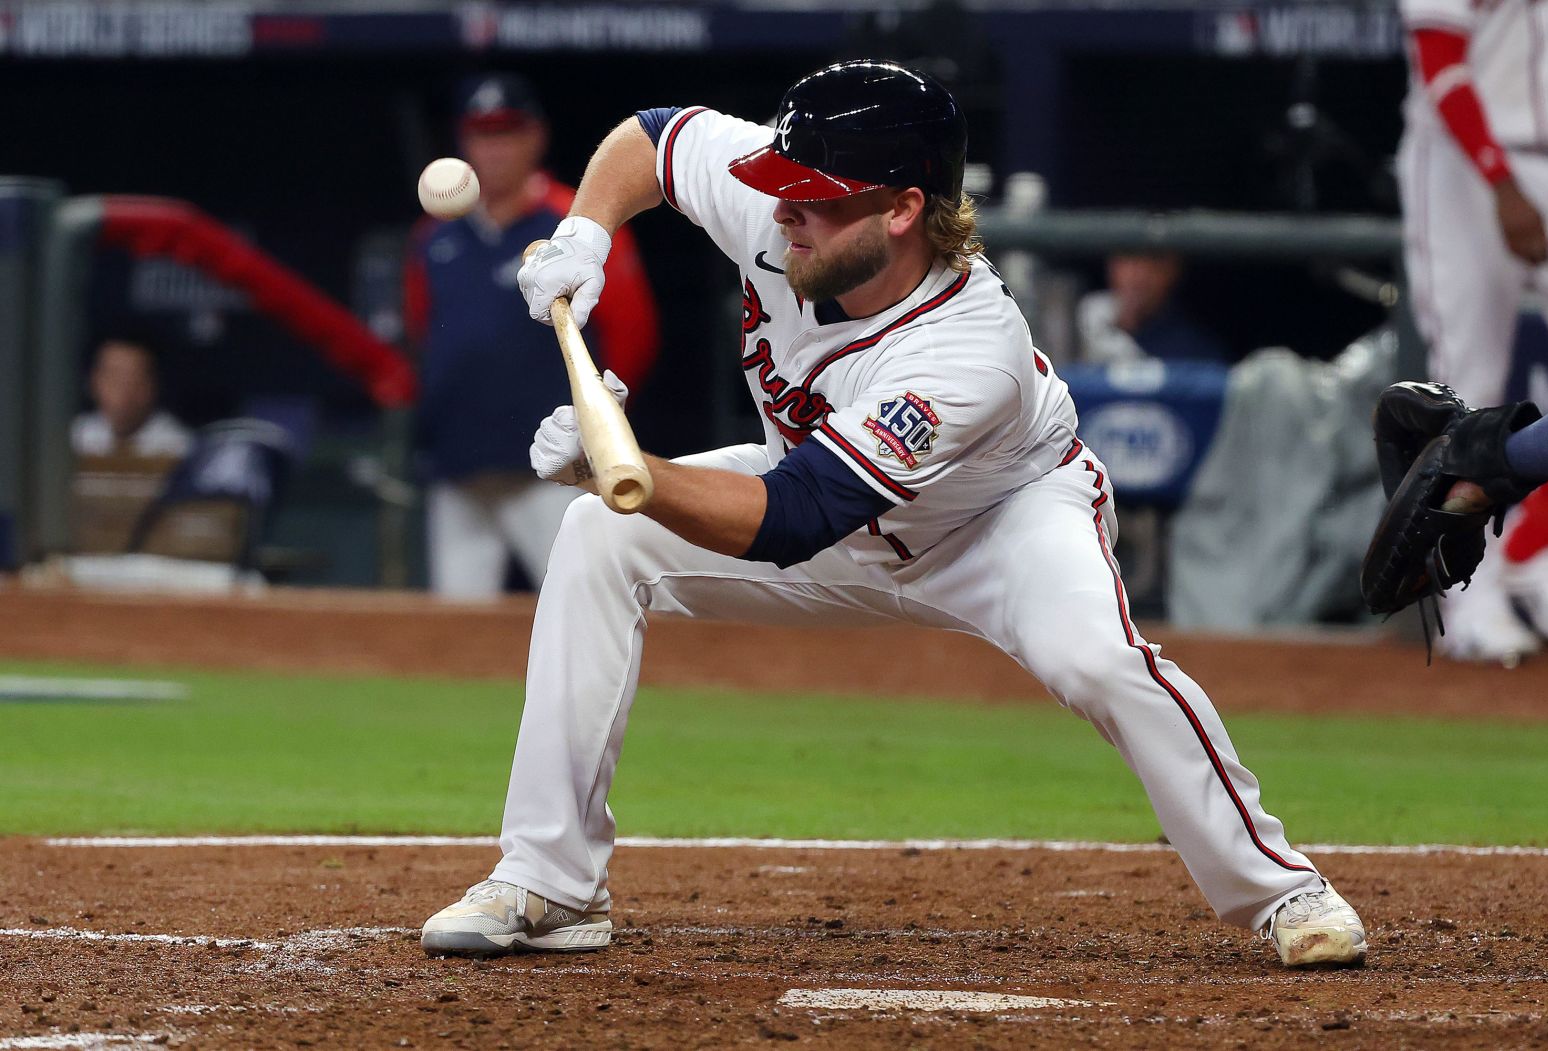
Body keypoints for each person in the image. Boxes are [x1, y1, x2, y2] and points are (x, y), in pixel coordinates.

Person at [419, 61, 1366, 968]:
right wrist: (587, 233)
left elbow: (794, 518)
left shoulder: (967, 347)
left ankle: (1281, 886)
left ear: (904, 209)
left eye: (815, 197)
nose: (783, 212)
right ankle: (550, 880)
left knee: (1099, 660)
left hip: (999, 523)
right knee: (600, 537)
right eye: (780, 187)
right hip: (823, 497)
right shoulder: (784, 208)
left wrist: (626, 469)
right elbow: (656, 139)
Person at [404, 73, 661, 599]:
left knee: (579, 608)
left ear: (535, 138)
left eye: (506, 133)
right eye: (481, 134)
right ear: (463, 142)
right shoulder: (433, 238)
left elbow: (634, 336)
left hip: (553, 468)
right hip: (460, 469)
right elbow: (422, 336)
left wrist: (593, 428)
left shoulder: (575, 222)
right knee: (459, 635)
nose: (493, 148)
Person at [1397, 0, 1548, 662]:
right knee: (1466, 389)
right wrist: (1501, 181)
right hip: (1462, 167)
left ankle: (1529, 545)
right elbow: (1440, 60)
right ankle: (1468, 592)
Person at [1077, 251, 1228, 365]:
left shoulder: (1197, 353)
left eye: (1154, 260)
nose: (1138, 274)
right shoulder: (1081, 329)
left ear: (1174, 270)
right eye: (1129, 256)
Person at [70, 337, 192, 459]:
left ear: (154, 385)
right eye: (114, 377)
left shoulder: (180, 447)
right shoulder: (73, 436)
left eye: (135, 379)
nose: (124, 390)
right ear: (93, 381)